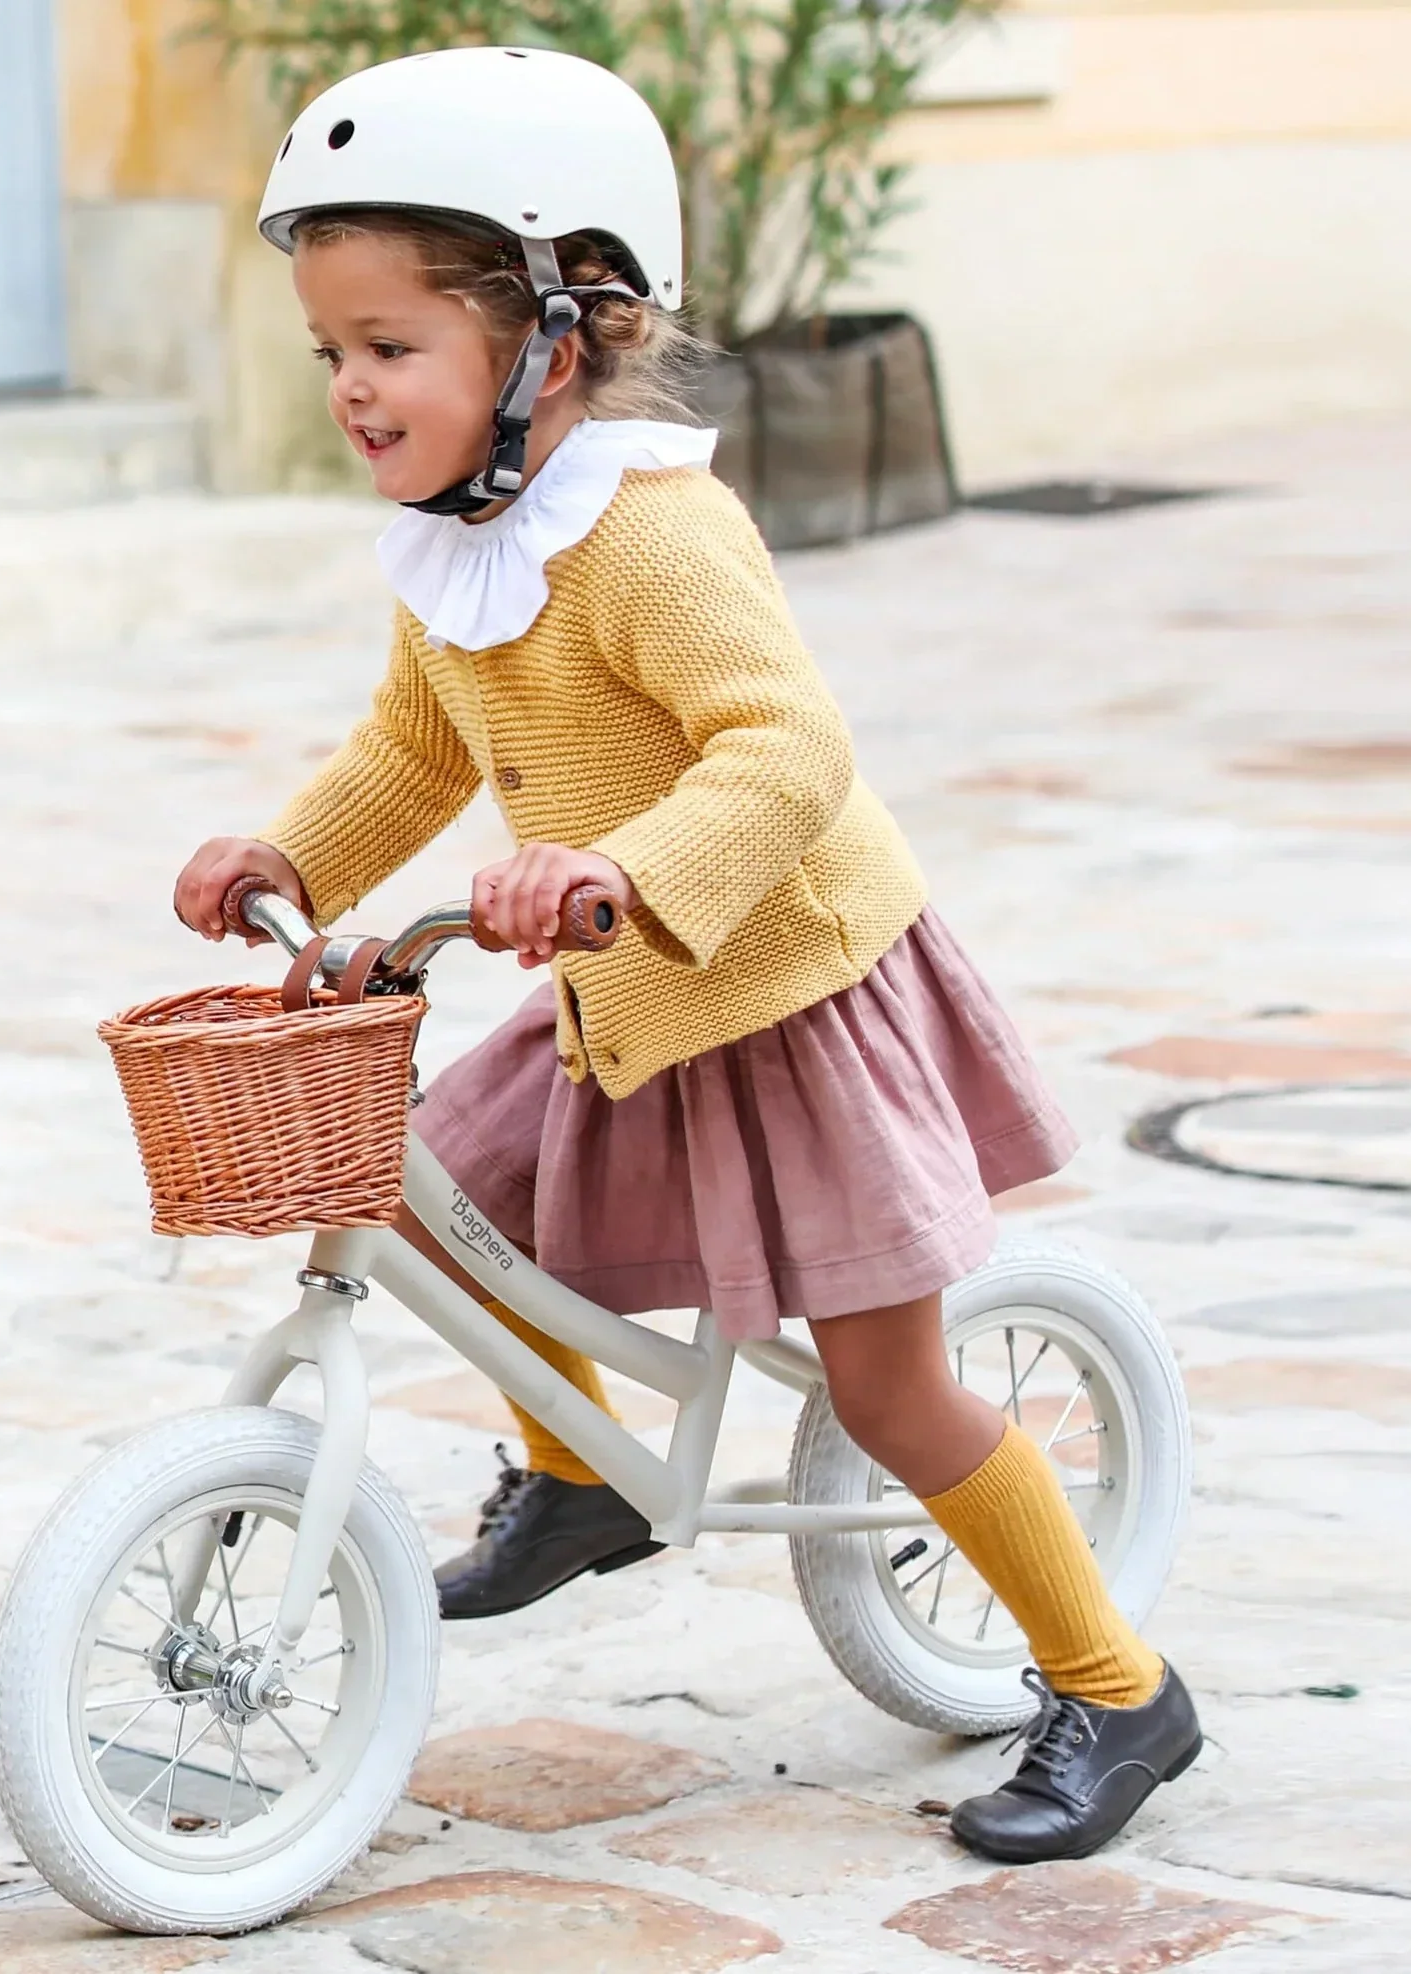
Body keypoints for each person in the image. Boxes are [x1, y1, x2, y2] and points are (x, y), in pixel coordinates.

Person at [173, 46, 1198, 1863]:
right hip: (624, 991)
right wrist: (288, 852)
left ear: (553, 343)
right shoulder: (459, 538)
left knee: (888, 1384)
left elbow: (784, 750)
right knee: (429, 1199)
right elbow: (412, 751)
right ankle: (582, 1483)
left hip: (785, 992)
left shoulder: (650, 534)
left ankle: (1115, 1686)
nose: (348, 387)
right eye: (330, 349)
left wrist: (620, 868)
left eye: (389, 347)